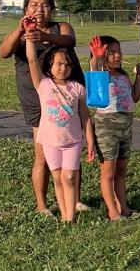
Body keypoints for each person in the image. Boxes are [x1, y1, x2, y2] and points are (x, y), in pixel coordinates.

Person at [0, 0, 88, 217]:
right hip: (38, 99)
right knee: (43, 155)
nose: (39, 9)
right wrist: (21, 30)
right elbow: (3, 52)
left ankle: (74, 201)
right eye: (34, 5)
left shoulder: (60, 28)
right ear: (26, 8)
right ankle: (42, 205)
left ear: (52, 9)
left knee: (72, 150)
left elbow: (70, 39)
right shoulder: (22, 33)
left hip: (69, 97)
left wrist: (46, 36)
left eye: (45, 4)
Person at [25, 28, 95, 222]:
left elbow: (85, 117)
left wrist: (89, 141)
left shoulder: (78, 88)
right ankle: (64, 215)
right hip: (49, 141)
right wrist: (30, 36)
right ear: (49, 66)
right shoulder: (43, 84)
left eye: (66, 64)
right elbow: (31, 60)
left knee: (69, 178)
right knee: (57, 178)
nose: (63, 68)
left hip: (73, 141)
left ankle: (70, 217)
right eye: (58, 64)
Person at [89, 36, 140, 220]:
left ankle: (124, 207)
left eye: (118, 51)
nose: (117, 55)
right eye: (111, 52)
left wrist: (139, 76)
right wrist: (96, 58)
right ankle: (112, 211)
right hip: (106, 128)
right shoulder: (101, 74)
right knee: (108, 172)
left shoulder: (123, 75)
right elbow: (94, 69)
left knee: (121, 170)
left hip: (125, 127)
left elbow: (135, 96)